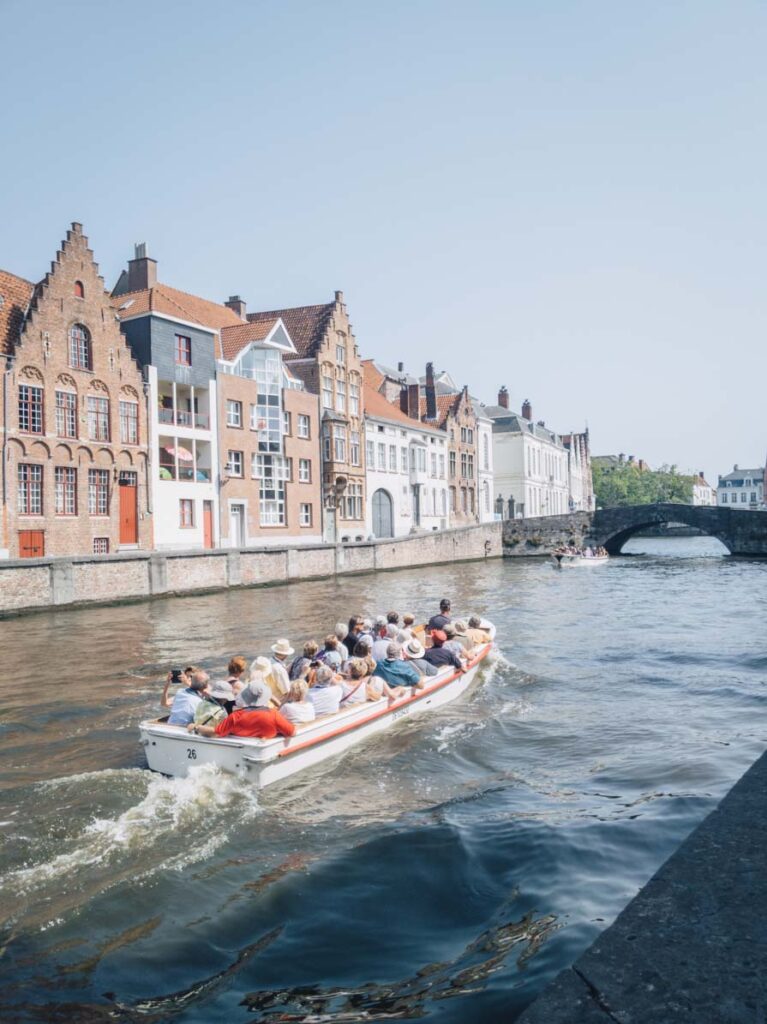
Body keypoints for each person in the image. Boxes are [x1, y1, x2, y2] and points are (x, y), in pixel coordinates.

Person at [193, 679, 296, 739]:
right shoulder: (274, 715)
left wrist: (195, 727)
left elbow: (215, 732)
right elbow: (292, 732)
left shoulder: (235, 717)